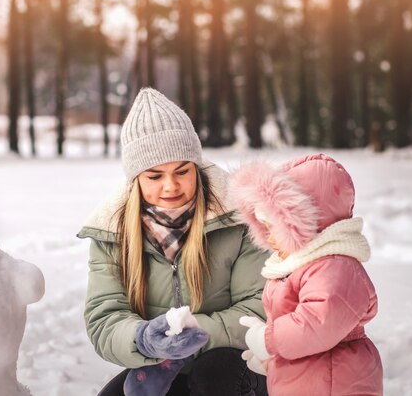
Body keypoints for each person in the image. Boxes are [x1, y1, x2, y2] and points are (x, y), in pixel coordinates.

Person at [77, 87, 269, 396]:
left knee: (214, 374)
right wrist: (144, 339)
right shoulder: (111, 232)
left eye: (182, 171)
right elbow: (104, 317)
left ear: (197, 166)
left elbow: (260, 308)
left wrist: (192, 334)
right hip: (160, 367)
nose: (171, 186)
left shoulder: (237, 218)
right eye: (154, 176)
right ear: (135, 179)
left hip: (239, 366)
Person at [229, 154, 383, 396]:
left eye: (274, 228)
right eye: (265, 228)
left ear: (303, 224)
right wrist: (272, 359)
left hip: (334, 381)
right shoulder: (300, 266)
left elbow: (316, 323)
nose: (268, 237)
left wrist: (269, 341)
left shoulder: (336, 268)